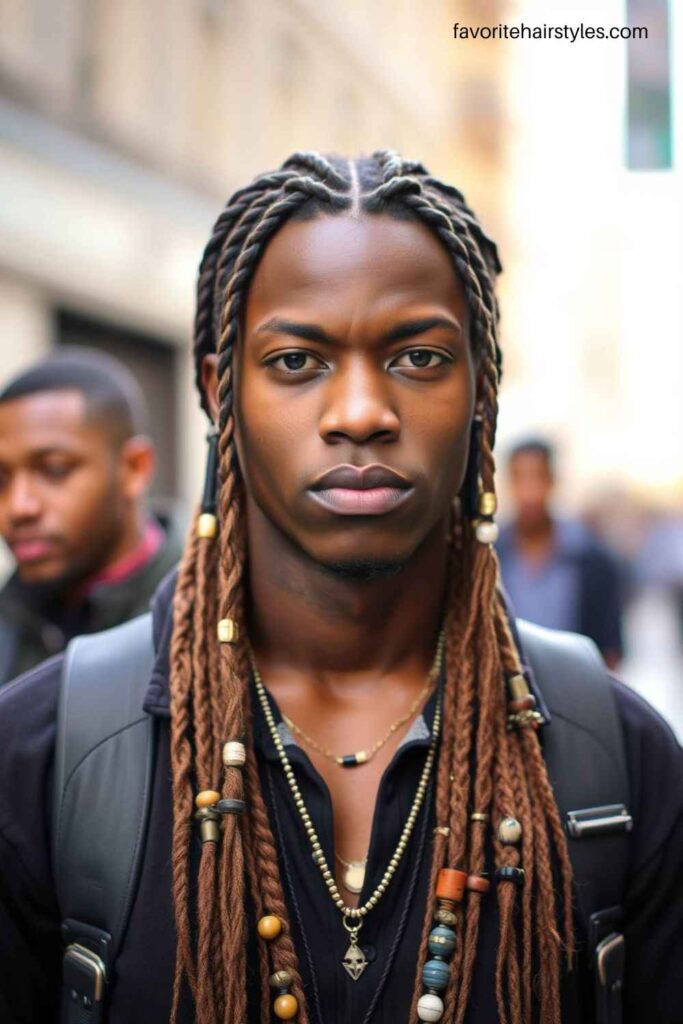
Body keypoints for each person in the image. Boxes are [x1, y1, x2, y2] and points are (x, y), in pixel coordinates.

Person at [0, 152, 681, 1024]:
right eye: (294, 361)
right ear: (220, 394)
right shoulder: (48, 753)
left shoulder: (614, 755)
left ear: (482, 394)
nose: (360, 410)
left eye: (420, 356)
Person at [0, 348, 183, 683]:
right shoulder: (10, 622)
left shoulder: (219, 612)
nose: (18, 506)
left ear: (134, 468)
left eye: (54, 470)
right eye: (1, 480)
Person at [497, 438, 625, 668]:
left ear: (552, 481)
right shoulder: (489, 557)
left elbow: (611, 650)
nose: (529, 492)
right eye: (520, 478)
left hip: (575, 691)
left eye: (537, 477)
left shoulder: (591, 559)